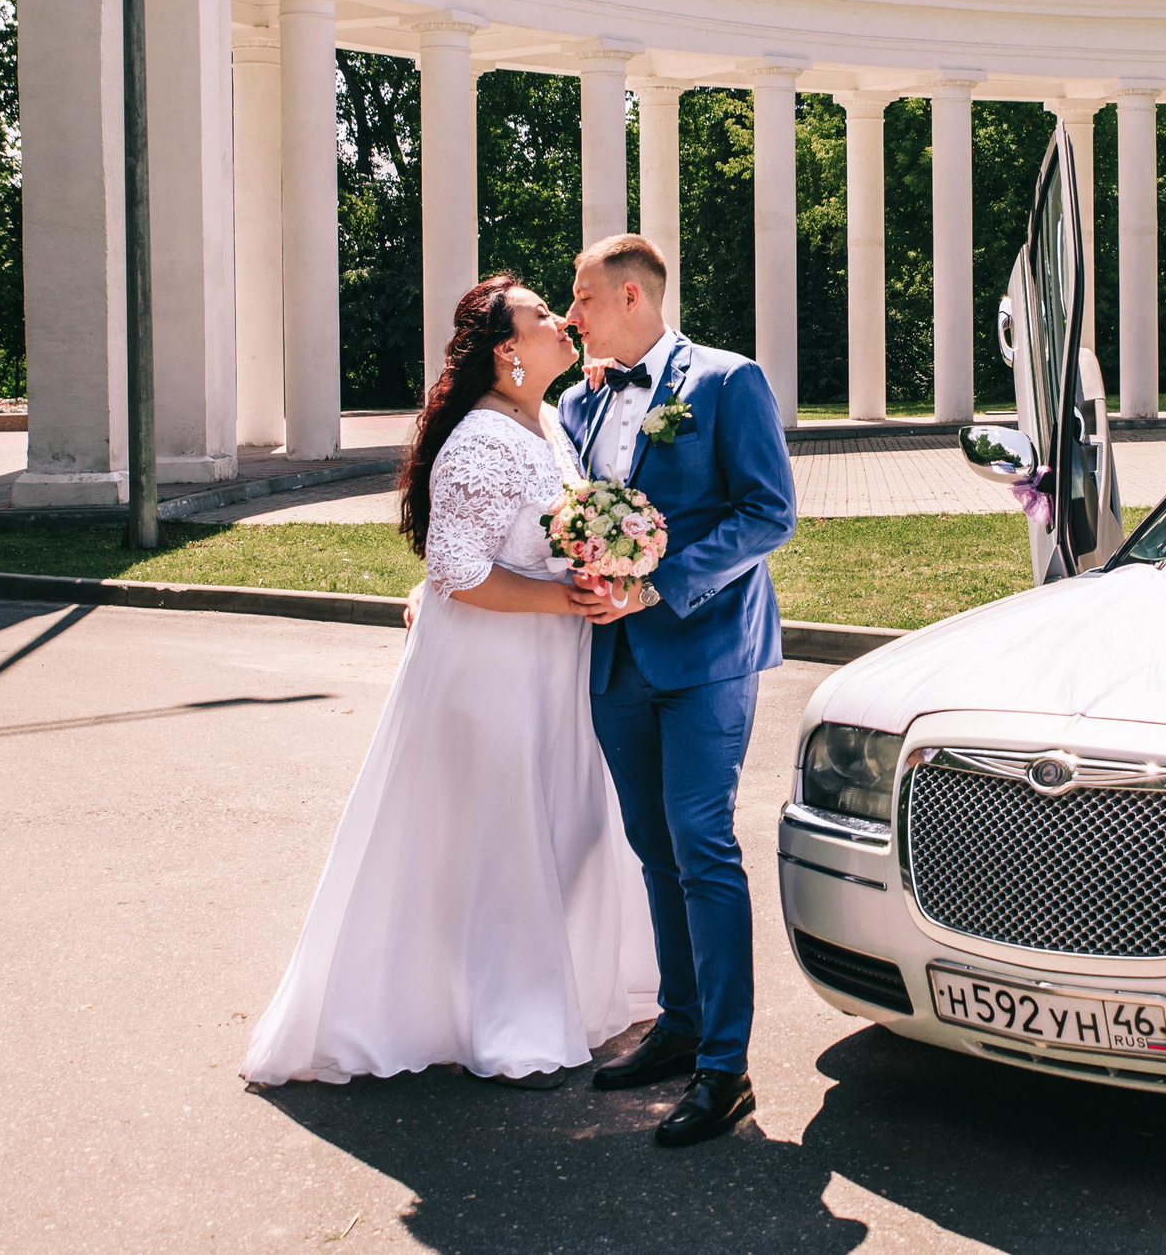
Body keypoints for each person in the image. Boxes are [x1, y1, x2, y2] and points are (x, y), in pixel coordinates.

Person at [241, 277, 658, 1089]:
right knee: (502, 843)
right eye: (543, 315)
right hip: (490, 672)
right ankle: (507, 1027)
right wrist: (564, 600)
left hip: (550, 668)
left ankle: (550, 994)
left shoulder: (546, 422)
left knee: (556, 829)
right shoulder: (479, 440)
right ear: (507, 349)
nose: (563, 319)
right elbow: (457, 571)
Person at [559, 234, 797, 1148]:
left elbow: (767, 511)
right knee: (653, 844)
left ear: (630, 296)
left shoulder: (729, 381)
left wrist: (655, 586)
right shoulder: (578, 401)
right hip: (615, 659)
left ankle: (725, 1066)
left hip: (706, 652)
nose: (572, 315)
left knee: (701, 839)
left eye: (582, 298)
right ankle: (682, 1022)